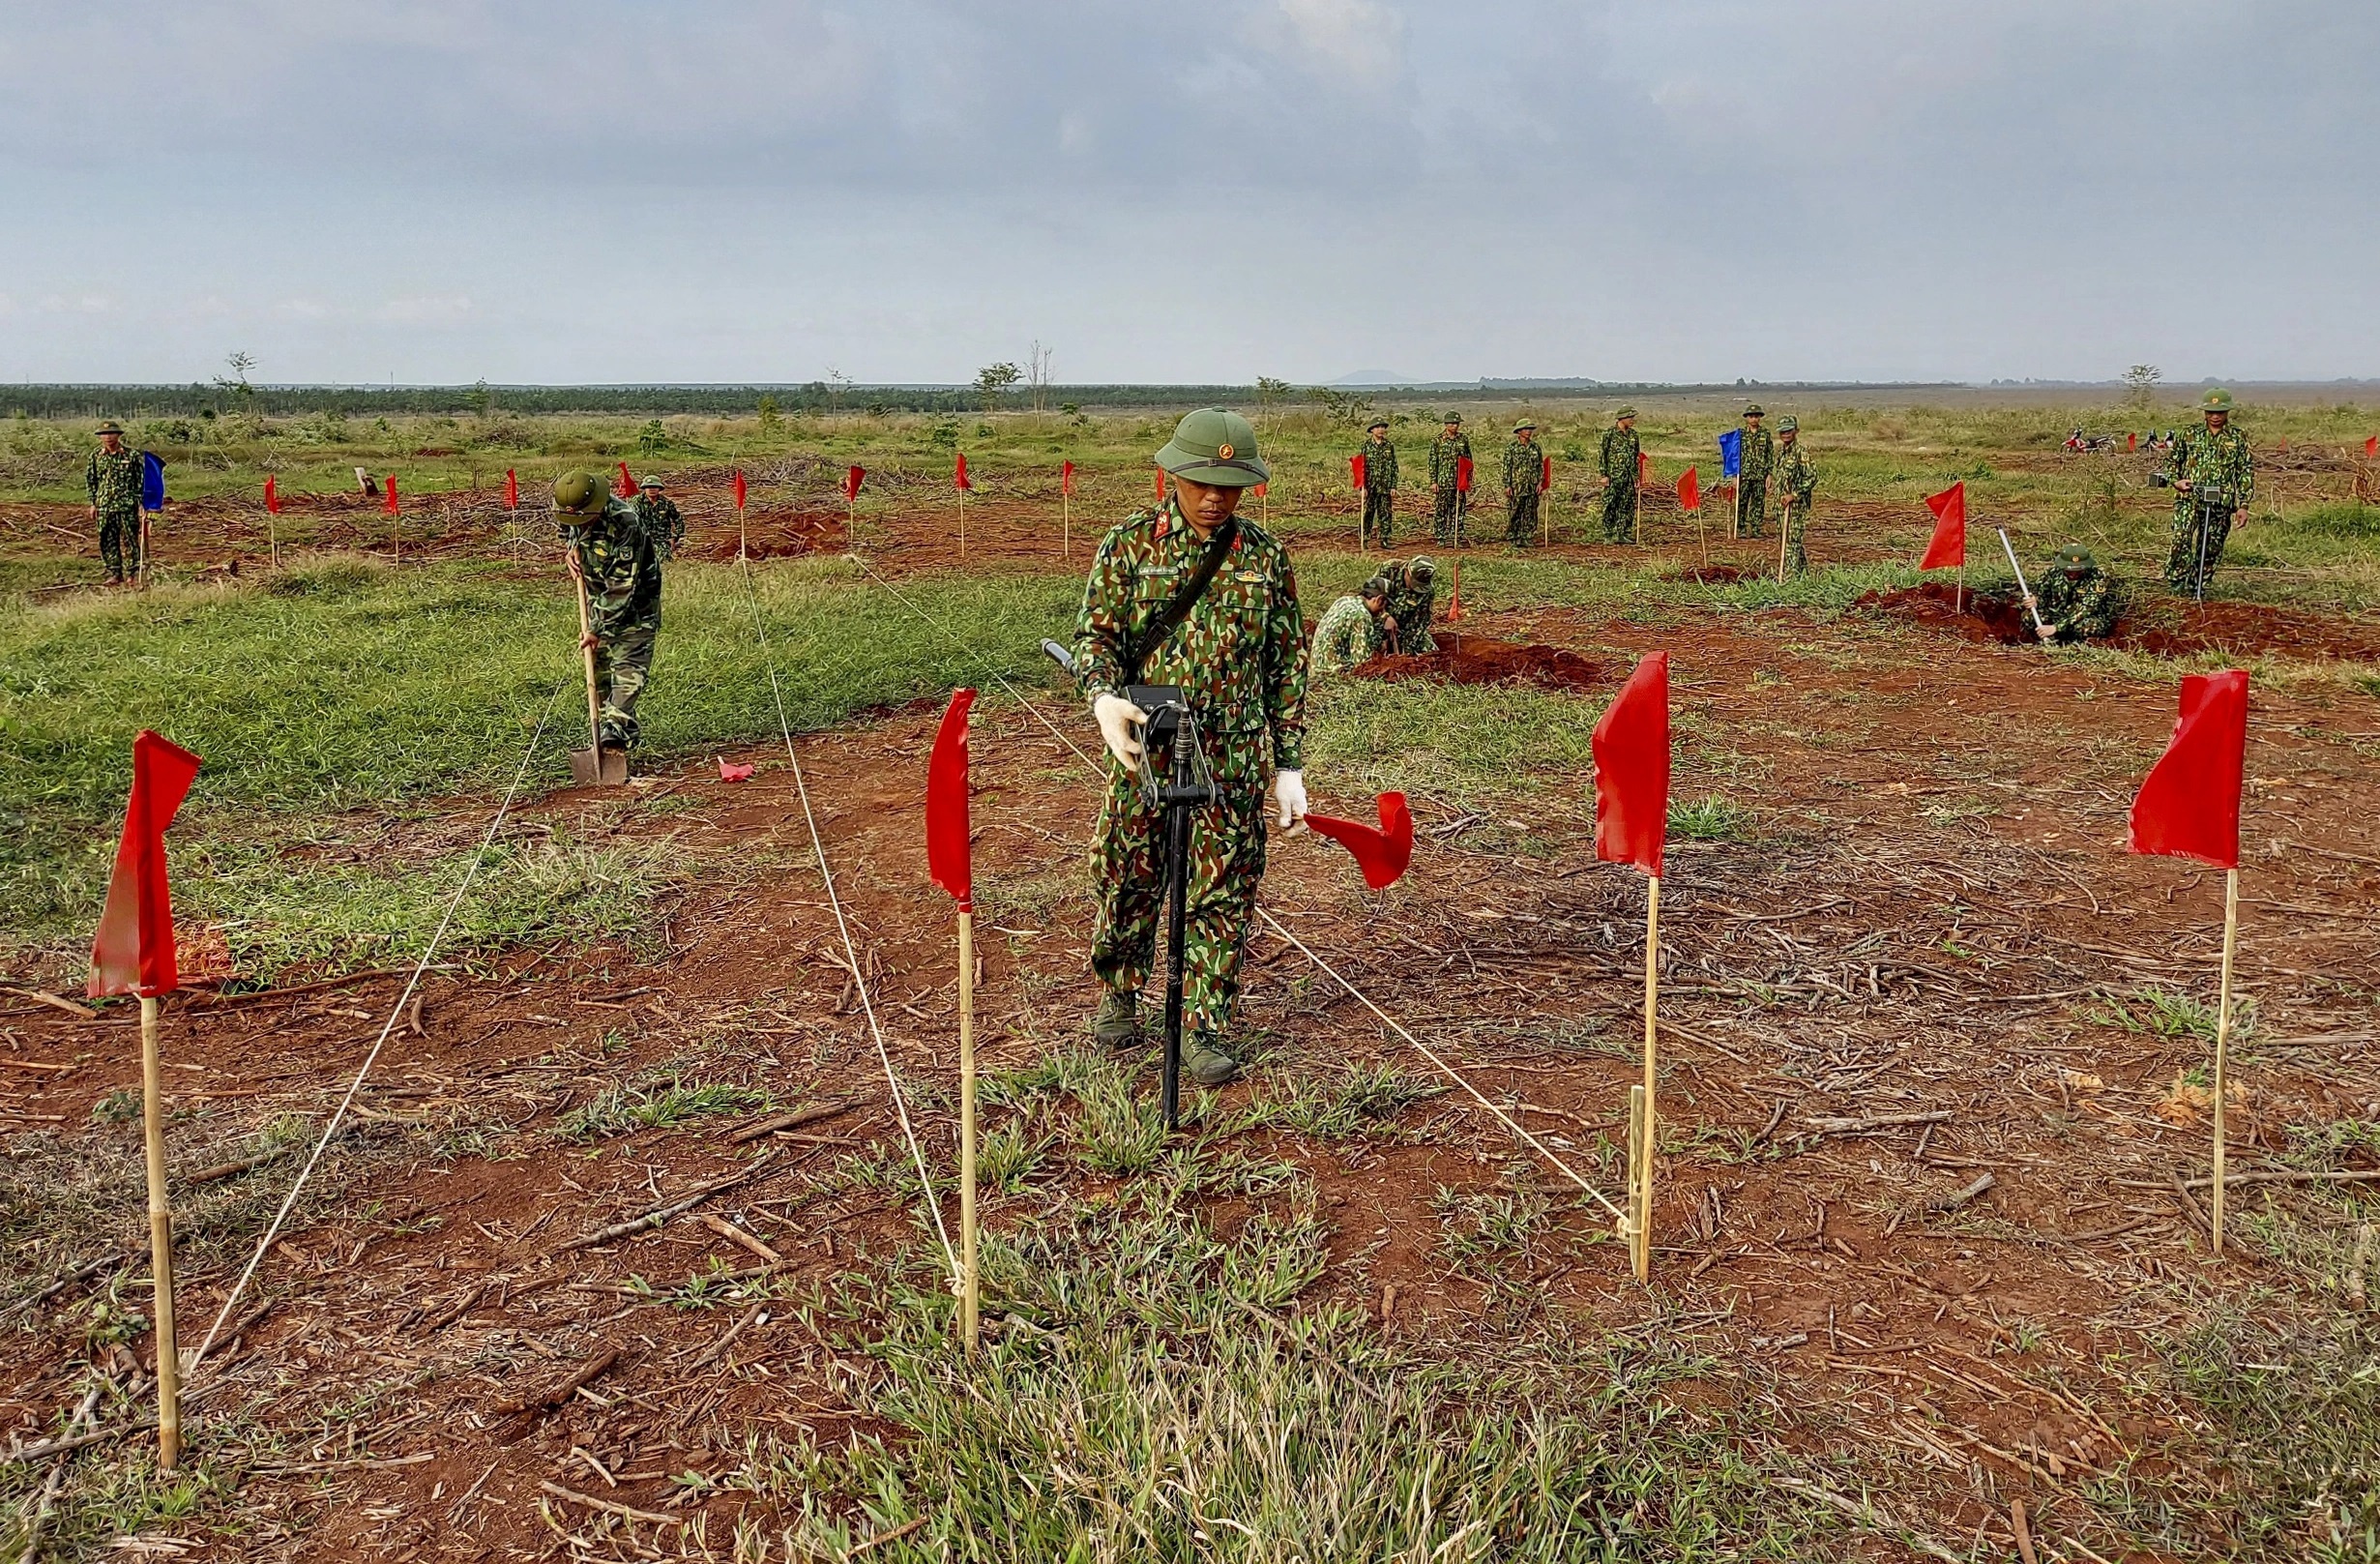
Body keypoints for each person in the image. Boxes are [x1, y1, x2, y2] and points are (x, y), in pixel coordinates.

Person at [1072, 408, 1310, 1087]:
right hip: (1147, 740)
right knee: (1128, 870)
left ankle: (1204, 1024)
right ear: (1172, 475)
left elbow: (1286, 663)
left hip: (1233, 753)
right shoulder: (1129, 544)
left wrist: (1288, 763)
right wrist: (1102, 697)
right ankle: (1120, 989)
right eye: (1202, 483)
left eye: (1230, 486)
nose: (1215, 497)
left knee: (1223, 886)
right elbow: (1096, 637)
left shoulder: (1264, 557)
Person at [553, 470, 669, 757]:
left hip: (636, 604)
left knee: (629, 668)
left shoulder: (625, 523)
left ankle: (614, 732)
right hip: (598, 599)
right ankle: (619, 728)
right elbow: (569, 530)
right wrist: (571, 549)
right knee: (599, 668)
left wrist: (596, 628)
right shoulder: (570, 507)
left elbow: (621, 587)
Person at [2162, 388, 2255, 595]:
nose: (2215, 417)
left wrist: (2244, 505)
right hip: (2190, 498)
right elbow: (2171, 462)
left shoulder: (2238, 437)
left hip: (2221, 501)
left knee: (2211, 546)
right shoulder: (2189, 434)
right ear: (2204, 412)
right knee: (2181, 538)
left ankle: (2197, 586)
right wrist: (2176, 481)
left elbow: (2245, 471)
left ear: (2228, 412)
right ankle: (2177, 584)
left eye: (2220, 412)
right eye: (2211, 412)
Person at [2023, 546, 2125, 644]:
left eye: (2078, 571)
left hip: (2082, 618)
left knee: (2086, 627)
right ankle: (2040, 641)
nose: (2073, 574)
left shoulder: (2098, 577)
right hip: (2057, 615)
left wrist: (2056, 627)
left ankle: (2077, 645)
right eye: (2069, 571)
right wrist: (2035, 601)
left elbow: (2087, 608)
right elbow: (2041, 595)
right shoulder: (2052, 573)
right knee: (2028, 617)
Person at [85, 421, 143, 584]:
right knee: (107, 539)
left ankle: (132, 573)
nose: (108, 437)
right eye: (104, 434)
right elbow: (91, 480)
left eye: (111, 433)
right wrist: (93, 503)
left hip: (127, 505)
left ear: (118, 435)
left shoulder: (131, 455)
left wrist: (141, 503)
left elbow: (140, 480)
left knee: (130, 540)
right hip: (104, 506)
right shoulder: (96, 456)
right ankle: (115, 572)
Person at [1313, 576, 1393, 673]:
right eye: (1385, 605)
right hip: (1332, 672)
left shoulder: (1343, 601)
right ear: (1379, 599)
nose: (1383, 610)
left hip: (1317, 666)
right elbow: (1361, 663)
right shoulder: (1362, 616)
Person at [1775, 416, 1818, 575]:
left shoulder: (1801, 452)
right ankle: (1802, 574)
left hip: (1796, 506)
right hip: (1782, 505)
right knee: (1786, 540)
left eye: (1789, 431)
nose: (1785, 434)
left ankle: (1790, 577)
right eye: (1783, 431)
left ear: (1796, 431)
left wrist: (1794, 495)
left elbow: (1812, 476)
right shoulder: (1782, 452)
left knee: (1792, 541)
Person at [1598, 407, 1641, 544]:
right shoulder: (1609, 434)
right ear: (1622, 418)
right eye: (1630, 417)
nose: (1632, 420)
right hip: (1613, 476)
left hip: (1628, 477)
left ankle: (1622, 533)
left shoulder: (1633, 435)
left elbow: (1636, 456)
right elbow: (1602, 455)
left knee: (1627, 505)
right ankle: (1608, 534)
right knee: (1610, 504)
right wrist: (1604, 474)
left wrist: (1636, 476)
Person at [1428, 414, 1471, 547]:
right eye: (1452, 423)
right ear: (1446, 424)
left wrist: (1468, 478)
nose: (1455, 426)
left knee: (1458, 510)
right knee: (1441, 510)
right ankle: (1441, 537)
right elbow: (1433, 462)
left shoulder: (1463, 439)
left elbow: (1468, 460)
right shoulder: (1437, 440)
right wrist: (1433, 481)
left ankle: (1456, 536)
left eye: (1457, 423)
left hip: (1459, 482)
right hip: (1443, 481)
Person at [1380, 555, 1437, 654]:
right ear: (1407, 572)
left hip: (1405, 628)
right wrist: (1385, 616)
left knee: (1429, 651)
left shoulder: (1427, 591)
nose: (1416, 588)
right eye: (1414, 583)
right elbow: (1370, 598)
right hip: (1380, 622)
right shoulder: (1389, 569)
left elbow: (1420, 623)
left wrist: (1407, 651)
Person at [1735, 403, 1774, 538]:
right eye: (1751, 416)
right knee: (1742, 502)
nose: (1754, 419)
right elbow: (1734, 455)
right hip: (1744, 475)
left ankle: (1756, 529)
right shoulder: (1740, 434)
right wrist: (1734, 475)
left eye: (1756, 416)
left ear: (1760, 418)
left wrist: (1769, 474)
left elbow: (1769, 454)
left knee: (1758, 503)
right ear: (1746, 418)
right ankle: (1741, 529)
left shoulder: (1765, 434)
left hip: (1760, 475)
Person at [1359, 418, 1398, 548]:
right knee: (1368, 513)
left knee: (1385, 512)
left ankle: (1385, 539)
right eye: (1377, 427)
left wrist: (1393, 485)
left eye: (1383, 427)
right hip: (1370, 486)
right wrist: (1363, 487)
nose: (1381, 430)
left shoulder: (1389, 445)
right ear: (1372, 430)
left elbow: (1394, 466)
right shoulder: (1366, 446)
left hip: (1385, 486)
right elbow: (1361, 467)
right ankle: (1364, 538)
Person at [1502, 420, 1543, 546]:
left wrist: (1540, 483)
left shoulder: (1535, 447)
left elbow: (1540, 467)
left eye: (1530, 429)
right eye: (1525, 429)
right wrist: (1507, 485)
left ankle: (1527, 536)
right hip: (1517, 485)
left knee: (1530, 511)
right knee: (1515, 511)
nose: (1528, 431)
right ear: (1519, 431)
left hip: (1532, 485)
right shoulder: (1511, 448)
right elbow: (1506, 467)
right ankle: (1514, 536)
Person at [635, 475, 687, 559]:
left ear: (659, 488)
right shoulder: (636, 502)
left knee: (663, 559)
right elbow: (629, 521)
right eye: (649, 487)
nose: (652, 489)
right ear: (644, 488)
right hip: (642, 539)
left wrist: (674, 537)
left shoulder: (667, 503)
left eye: (654, 487)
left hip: (662, 540)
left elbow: (678, 520)